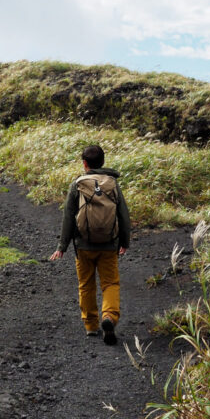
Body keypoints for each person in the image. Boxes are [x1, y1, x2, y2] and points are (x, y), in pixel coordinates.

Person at [49, 144, 130, 345]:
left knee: (86, 284)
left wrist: (62, 247)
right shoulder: (112, 183)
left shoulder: (77, 184)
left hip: (83, 246)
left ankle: (91, 326)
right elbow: (123, 215)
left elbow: (68, 217)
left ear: (84, 163)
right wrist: (124, 241)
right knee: (110, 283)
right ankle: (109, 317)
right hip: (109, 245)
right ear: (102, 162)